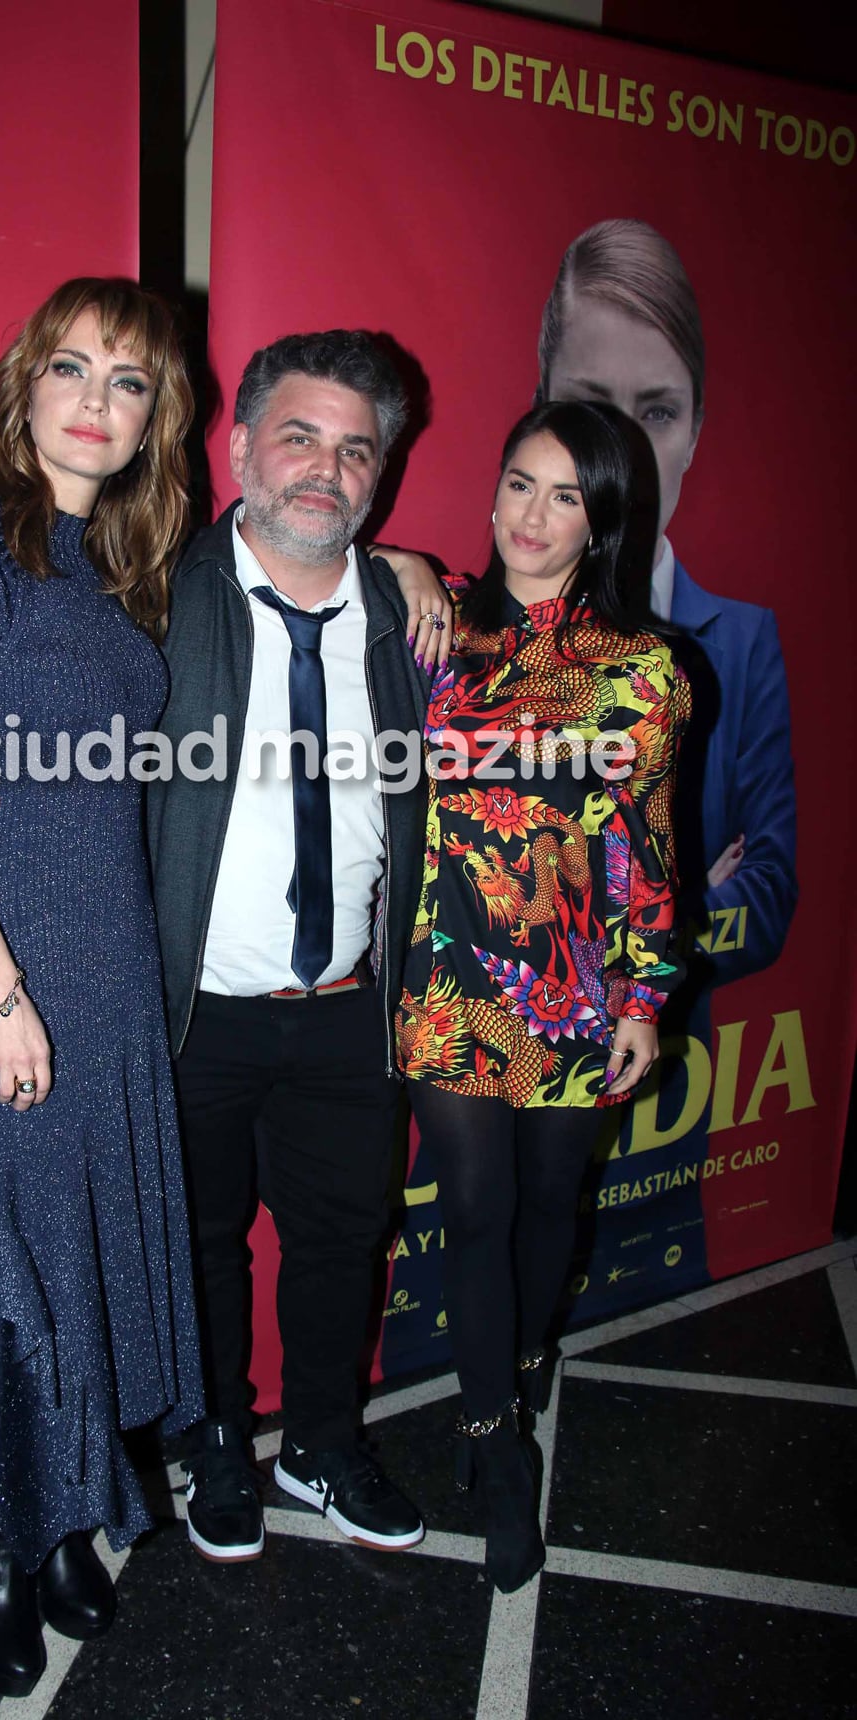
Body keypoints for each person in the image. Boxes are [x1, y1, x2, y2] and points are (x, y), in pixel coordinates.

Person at [0, 278, 204, 1699]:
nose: (95, 398)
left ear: (152, 421)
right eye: (69, 368)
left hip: (112, 967)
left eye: (127, 381)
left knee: (83, 1254)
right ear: (22, 392)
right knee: (1, 1266)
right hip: (0, 972)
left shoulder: (123, 569)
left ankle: (69, 1502)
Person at [145, 331, 444, 1565]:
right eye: (300, 437)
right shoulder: (155, 590)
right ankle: (219, 1437)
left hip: (345, 1009)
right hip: (195, 1009)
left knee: (338, 1243)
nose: (324, 469)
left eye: (354, 449)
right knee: (202, 1239)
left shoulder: (414, 616)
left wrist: (421, 569)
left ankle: (321, 1440)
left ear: (380, 478)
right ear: (241, 448)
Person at [396, 399, 690, 1592]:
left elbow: (650, 841)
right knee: (471, 1205)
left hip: (573, 987)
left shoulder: (643, 670)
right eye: (520, 483)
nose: (532, 515)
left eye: (565, 495)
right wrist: (401, 558)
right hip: (448, 976)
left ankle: (516, 1371)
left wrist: (642, 996)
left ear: (603, 520)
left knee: (547, 1205)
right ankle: (491, 1441)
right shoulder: (431, 633)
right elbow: (323, 562)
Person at [536, 217, 796, 985]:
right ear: (540, 409)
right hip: (500, 1067)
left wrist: (629, 957)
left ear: (693, 432)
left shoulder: (741, 644)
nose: (623, 451)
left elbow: (769, 898)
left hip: (677, 1082)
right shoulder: (473, 629)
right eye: (590, 406)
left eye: (655, 413)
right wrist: (682, 905)